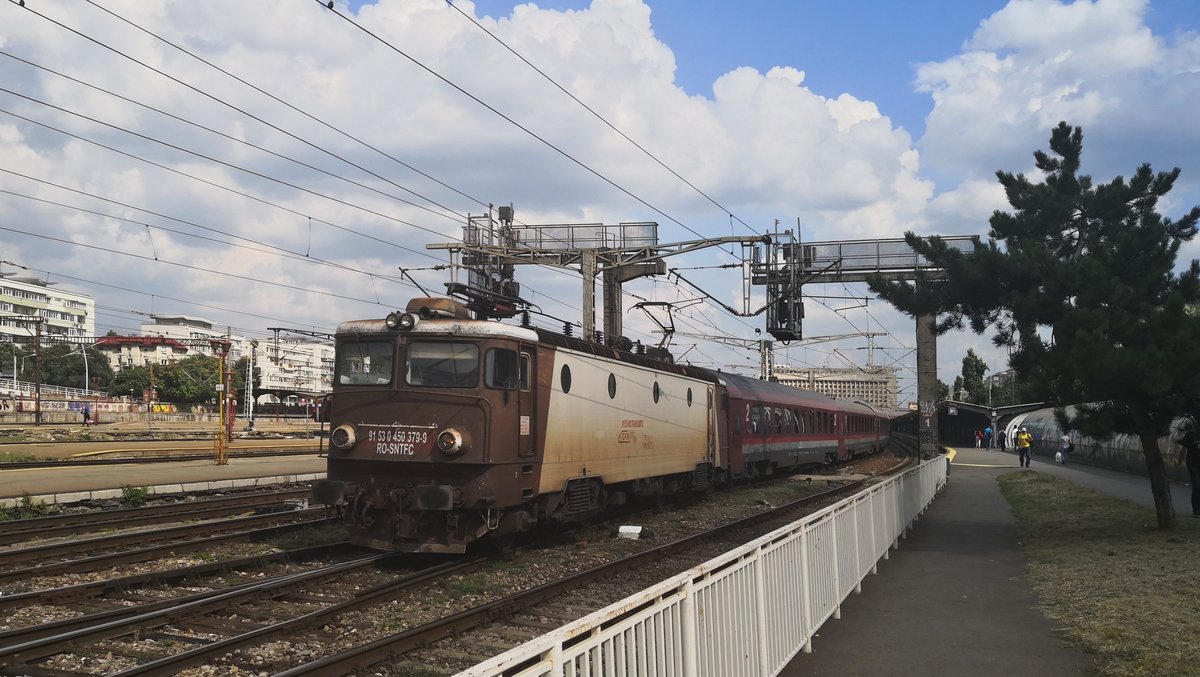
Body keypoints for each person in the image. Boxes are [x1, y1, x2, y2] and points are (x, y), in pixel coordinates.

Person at [1179, 428, 1200, 518]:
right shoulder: (1191, 434)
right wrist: (1180, 460)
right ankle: (1196, 510)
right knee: (1197, 484)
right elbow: (1184, 448)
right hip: (1193, 463)